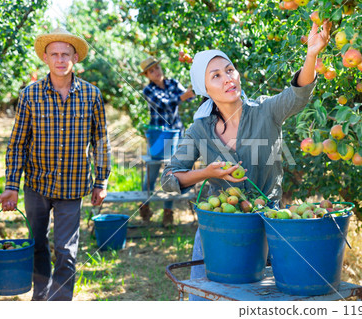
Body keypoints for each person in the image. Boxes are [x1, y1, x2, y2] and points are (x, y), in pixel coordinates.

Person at [161, 21, 332, 300]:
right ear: (204, 88)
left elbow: (297, 96)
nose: (228, 78)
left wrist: (311, 54)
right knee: (206, 303)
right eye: (216, 75)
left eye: (229, 70)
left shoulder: (266, 111)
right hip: (217, 233)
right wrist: (208, 173)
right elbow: (169, 179)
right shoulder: (199, 130)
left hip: (267, 230)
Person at [0, 27, 111, 301]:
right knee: (37, 246)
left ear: (75, 59)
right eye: (55, 54)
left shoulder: (91, 95)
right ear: (45, 58)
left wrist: (101, 181)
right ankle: (41, 296)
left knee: (66, 251)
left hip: (73, 185)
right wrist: (12, 184)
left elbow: (101, 141)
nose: (60, 59)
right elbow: (18, 143)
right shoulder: (30, 95)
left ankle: (59, 304)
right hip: (37, 184)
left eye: (66, 54)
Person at [139, 56, 195, 226]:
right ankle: (144, 204)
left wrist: (190, 91)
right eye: (151, 71)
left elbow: (189, 97)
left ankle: (168, 212)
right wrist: (183, 96)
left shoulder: (172, 83)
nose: (156, 72)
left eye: (157, 68)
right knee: (153, 172)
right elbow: (164, 105)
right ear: (147, 75)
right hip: (158, 135)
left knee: (172, 173)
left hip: (176, 133)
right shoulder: (148, 90)